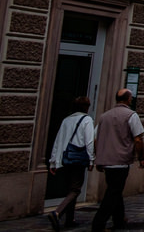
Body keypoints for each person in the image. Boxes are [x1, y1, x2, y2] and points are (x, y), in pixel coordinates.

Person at [91, 89, 144, 232]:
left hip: (106, 161)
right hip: (121, 161)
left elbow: (95, 138)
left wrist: (99, 156)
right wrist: (141, 158)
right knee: (113, 192)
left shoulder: (104, 116)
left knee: (115, 190)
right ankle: (98, 224)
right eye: (130, 98)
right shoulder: (131, 115)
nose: (131, 100)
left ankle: (119, 220)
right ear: (128, 100)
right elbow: (138, 139)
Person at [48, 96, 95, 230]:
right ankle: (57, 212)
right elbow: (89, 141)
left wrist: (53, 161)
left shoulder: (66, 120)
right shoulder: (87, 119)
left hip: (65, 158)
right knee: (75, 189)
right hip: (78, 159)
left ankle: (70, 219)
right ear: (86, 107)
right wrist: (92, 159)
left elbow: (58, 141)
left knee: (70, 189)